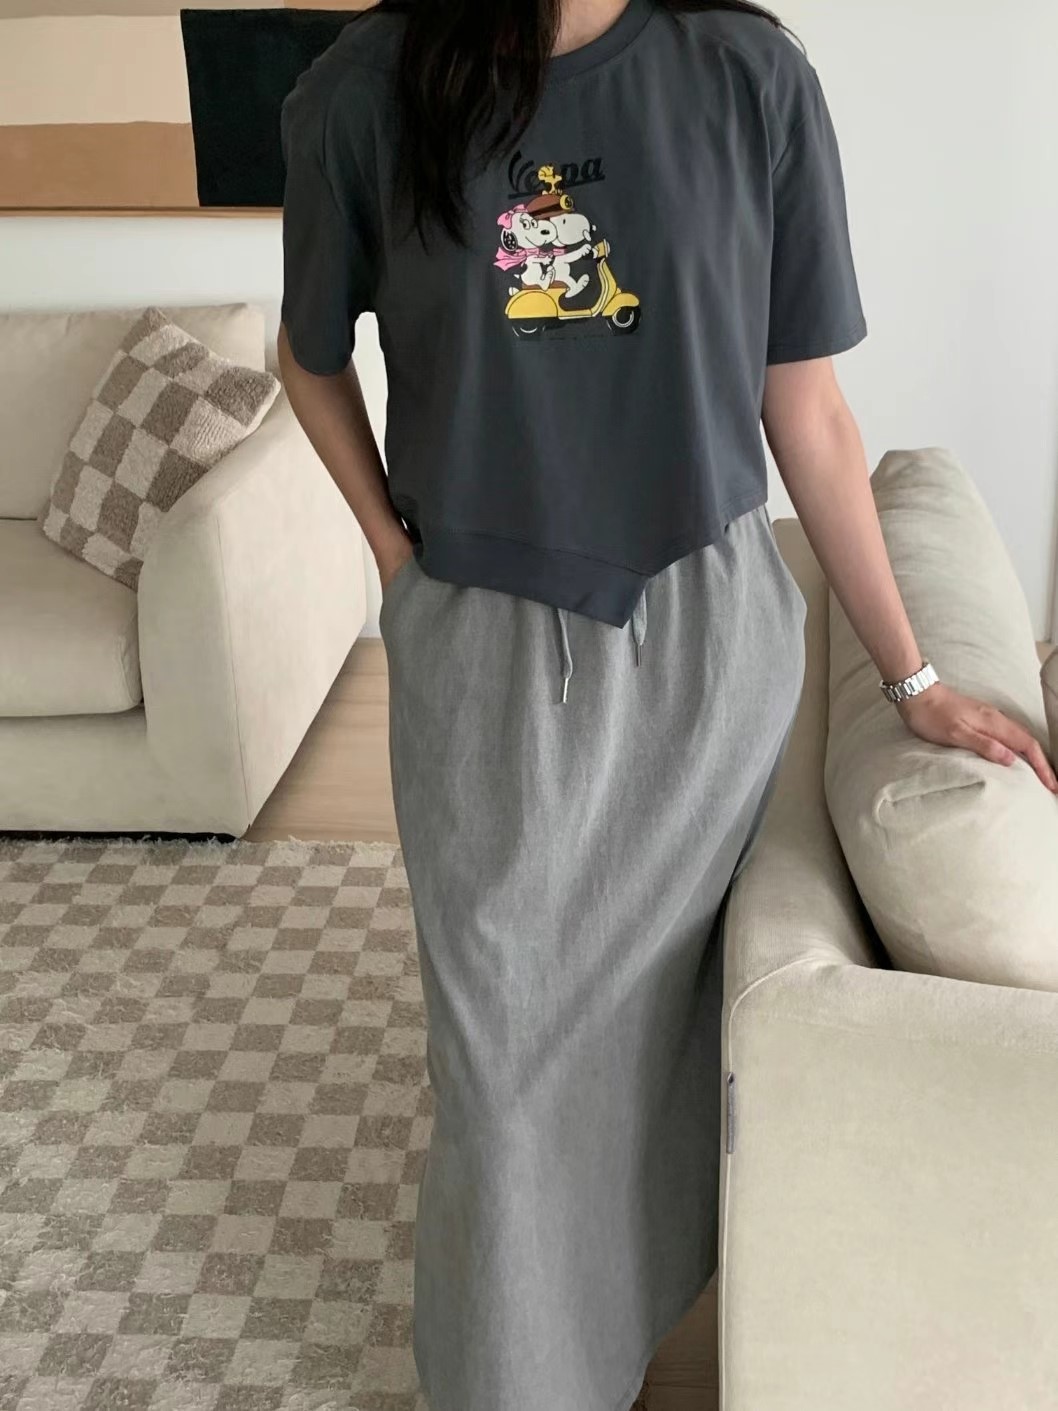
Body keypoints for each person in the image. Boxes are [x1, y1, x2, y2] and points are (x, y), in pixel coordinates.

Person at [277, 3, 1058, 1408]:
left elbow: (805, 408)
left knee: (647, 1053)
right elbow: (308, 356)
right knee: (502, 1074)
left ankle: (611, 1345)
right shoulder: (362, 91)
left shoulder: (747, 78)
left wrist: (915, 676)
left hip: (705, 642)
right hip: (485, 654)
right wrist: (396, 566)